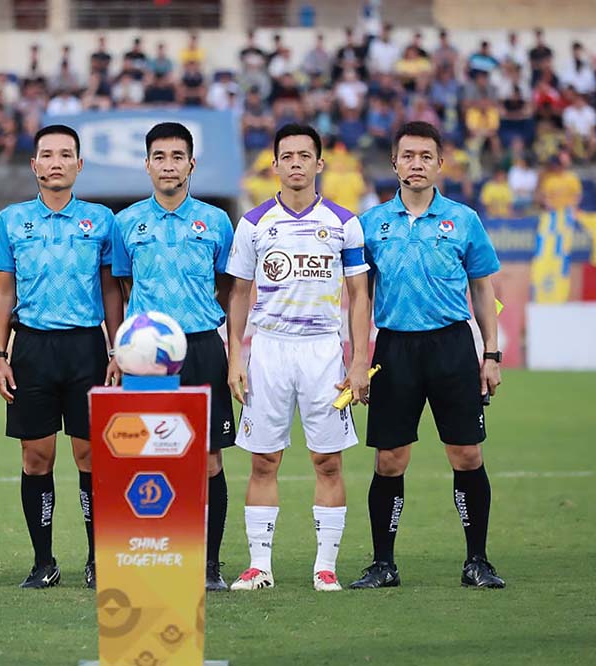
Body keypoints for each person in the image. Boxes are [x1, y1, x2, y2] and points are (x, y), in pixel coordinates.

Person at [350, 121, 505, 590]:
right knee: (390, 459)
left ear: (440, 163)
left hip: (452, 346)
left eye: (425, 156)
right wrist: (358, 360)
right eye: (408, 156)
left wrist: (491, 354)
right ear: (394, 162)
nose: (416, 164)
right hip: (394, 348)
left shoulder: (464, 219)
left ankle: (477, 561)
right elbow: (358, 297)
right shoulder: (369, 224)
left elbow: (483, 289)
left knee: (466, 453)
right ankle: (383, 565)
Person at [225, 123, 371, 593]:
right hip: (268, 350)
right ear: (274, 165)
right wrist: (235, 357)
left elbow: (359, 294)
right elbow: (239, 294)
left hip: (323, 352)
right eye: (286, 156)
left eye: (304, 156)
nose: (295, 164)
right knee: (263, 460)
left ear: (319, 164)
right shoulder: (253, 223)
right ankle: (259, 567)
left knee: (327, 461)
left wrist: (358, 361)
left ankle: (325, 567)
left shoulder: (345, 223)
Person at [0, 125, 123, 590]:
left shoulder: (101, 220)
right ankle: (43, 561)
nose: (56, 162)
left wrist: (115, 348)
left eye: (66, 155)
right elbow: (2, 292)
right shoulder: (11, 220)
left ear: (79, 165)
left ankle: (97, 558)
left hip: (86, 348)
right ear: (34, 165)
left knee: (91, 455)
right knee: (36, 457)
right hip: (32, 348)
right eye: (47, 155)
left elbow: (111, 289)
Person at [111, 122, 235, 591]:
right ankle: (154, 558)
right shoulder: (126, 223)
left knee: (208, 460)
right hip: (146, 358)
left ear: (191, 164)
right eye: (159, 157)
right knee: (145, 456)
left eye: (177, 157)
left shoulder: (216, 221)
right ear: (147, 165)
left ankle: (209, 565)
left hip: (202, 347)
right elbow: (123, 284)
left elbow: (227, 284)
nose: (168, 166)